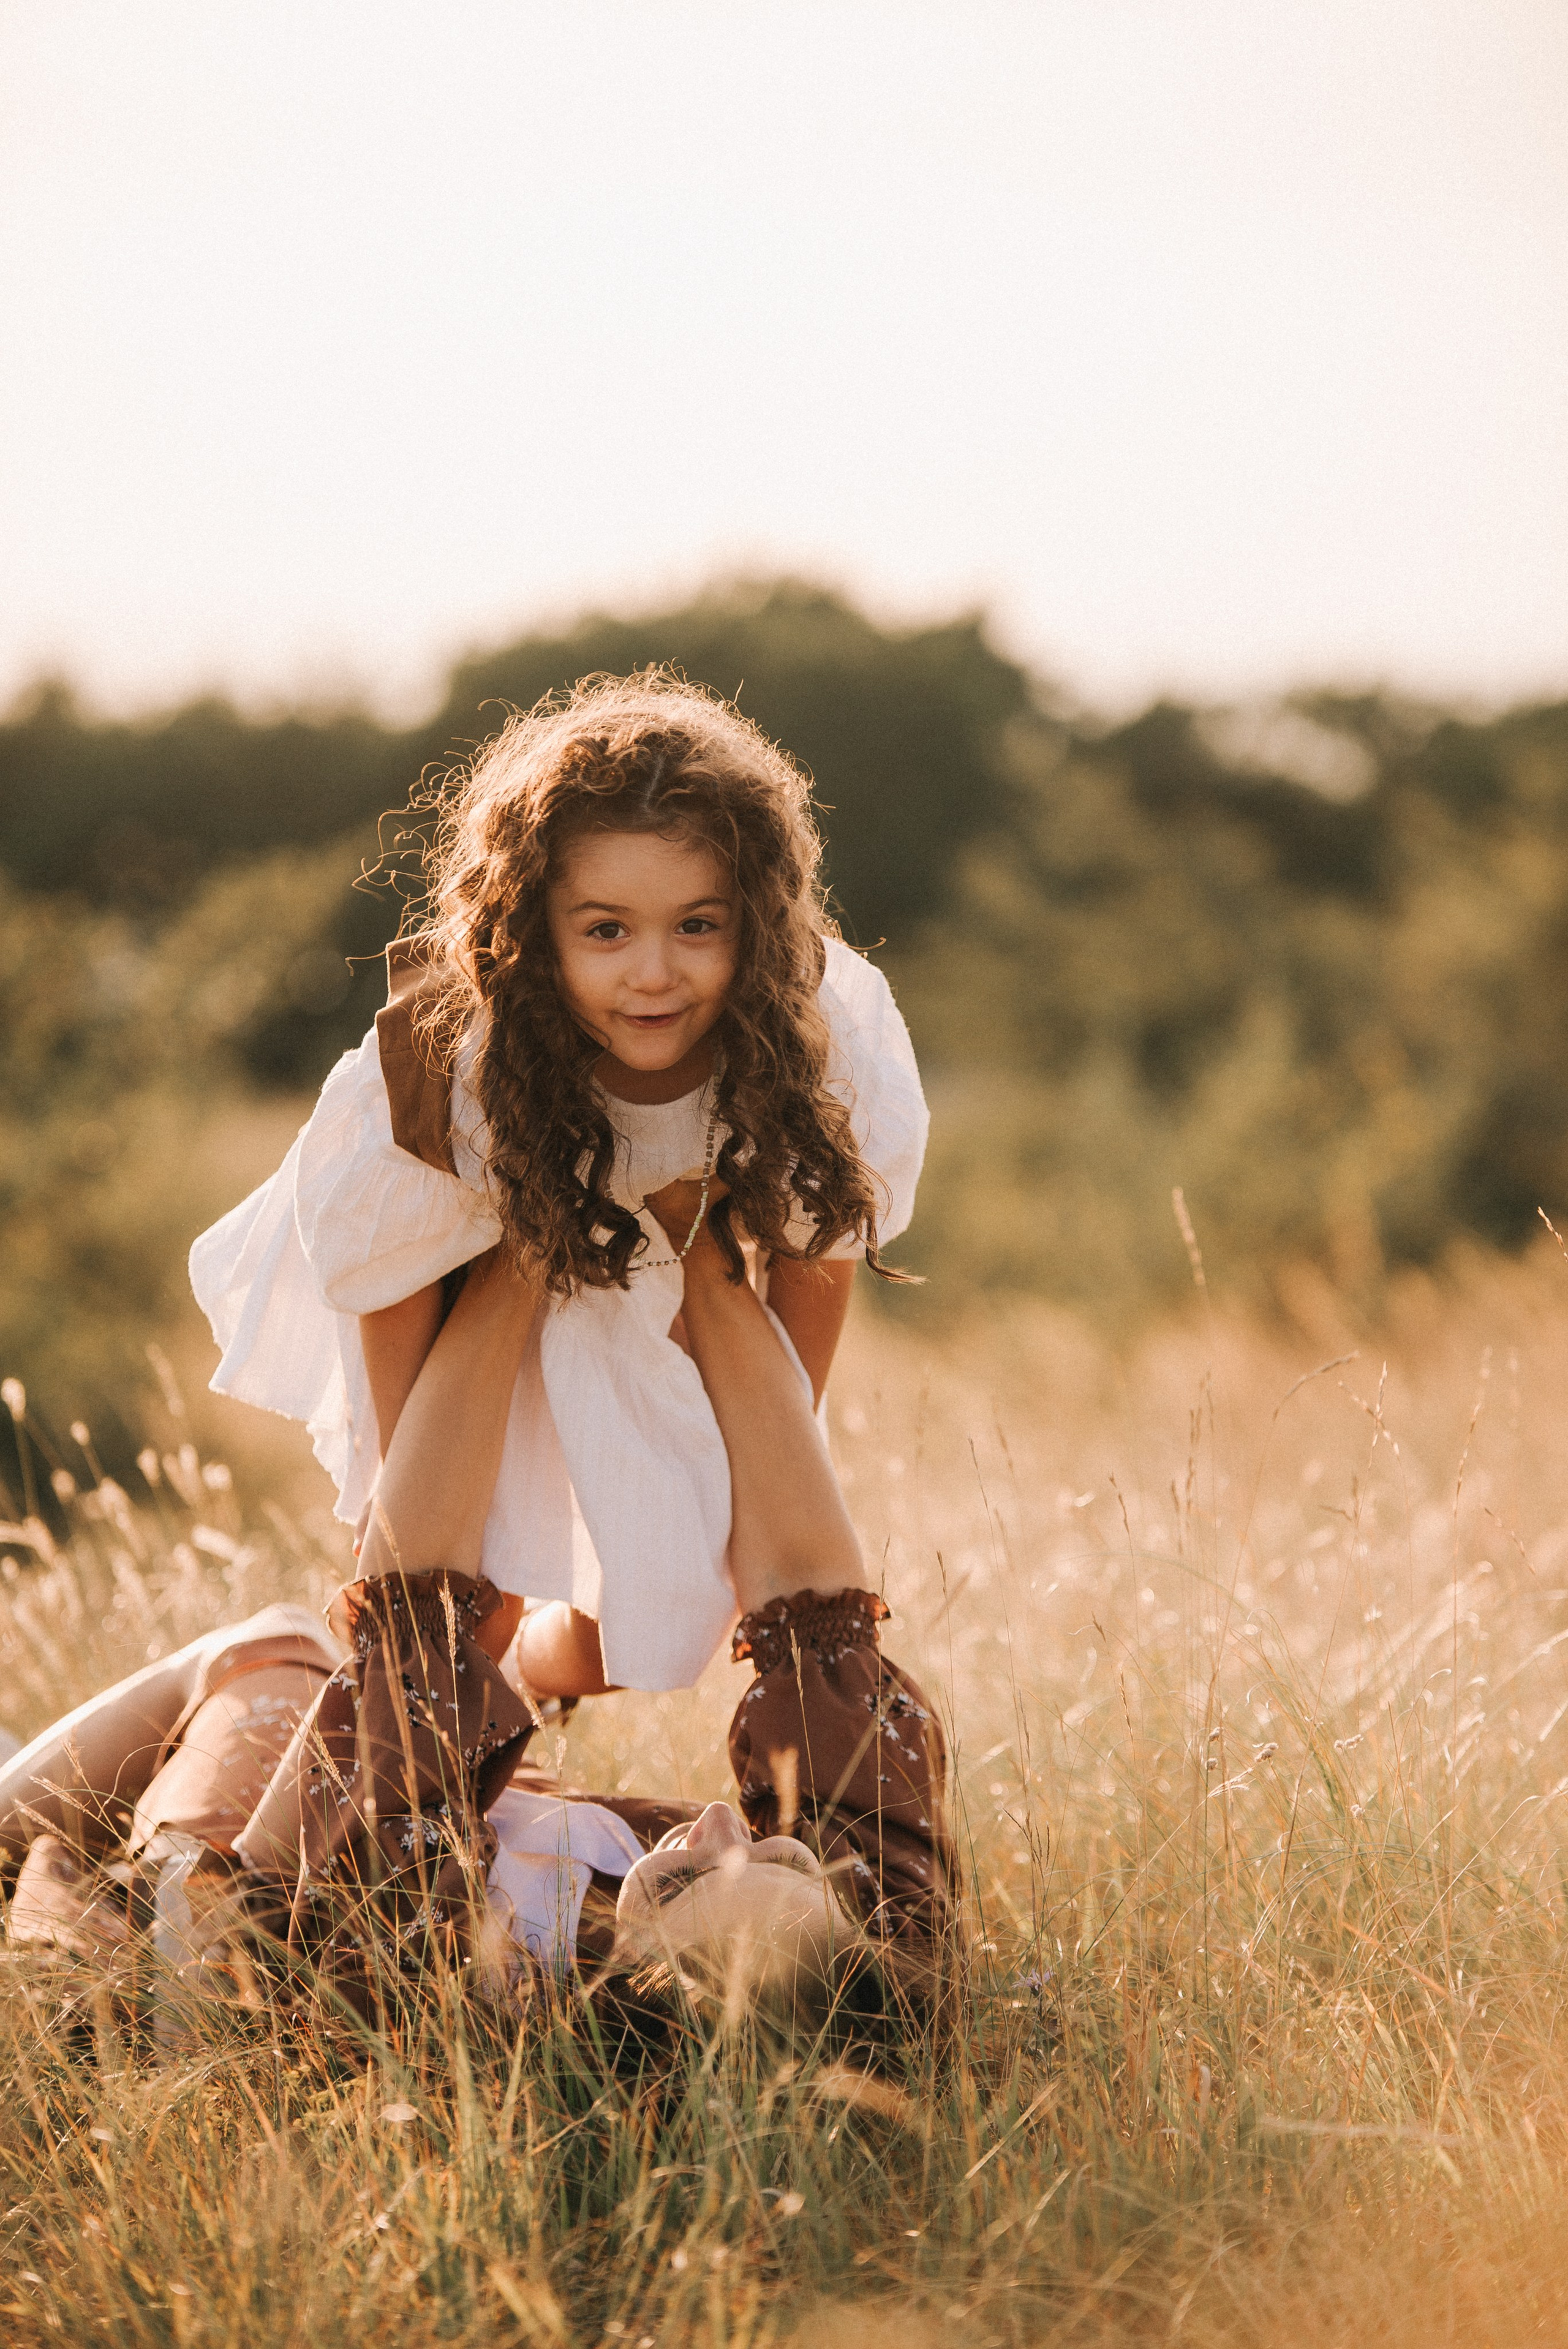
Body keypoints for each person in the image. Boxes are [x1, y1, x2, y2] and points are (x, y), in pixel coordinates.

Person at [3, 1183, 954, 2027]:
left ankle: (53, 1852)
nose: (718, 1824)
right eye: (782, 1857)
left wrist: (526, 1241)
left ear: (635, 1978)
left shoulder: (448, 1960)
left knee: (275, 1653)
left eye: (687, 1878)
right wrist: (699, 1244)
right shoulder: (860, 1971)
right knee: (434, 1662)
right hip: (462, 1803)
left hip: (240, 1905)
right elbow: (817, 1608)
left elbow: (417, 1617)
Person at [189, 672, 928, 1705]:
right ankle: (413, 1692)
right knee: (461, 1615)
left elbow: (817, 1261)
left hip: (682, 1266)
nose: (654, 973)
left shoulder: (814, 1032)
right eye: (606, 931)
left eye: (698, 925)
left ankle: (549, 1677)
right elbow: (390, 1272)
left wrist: (762, 1470)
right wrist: (405, 1514)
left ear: (754, 923)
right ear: (538, 931)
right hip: (470, 1266)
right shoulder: (456, 1057)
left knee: (683, 1611)